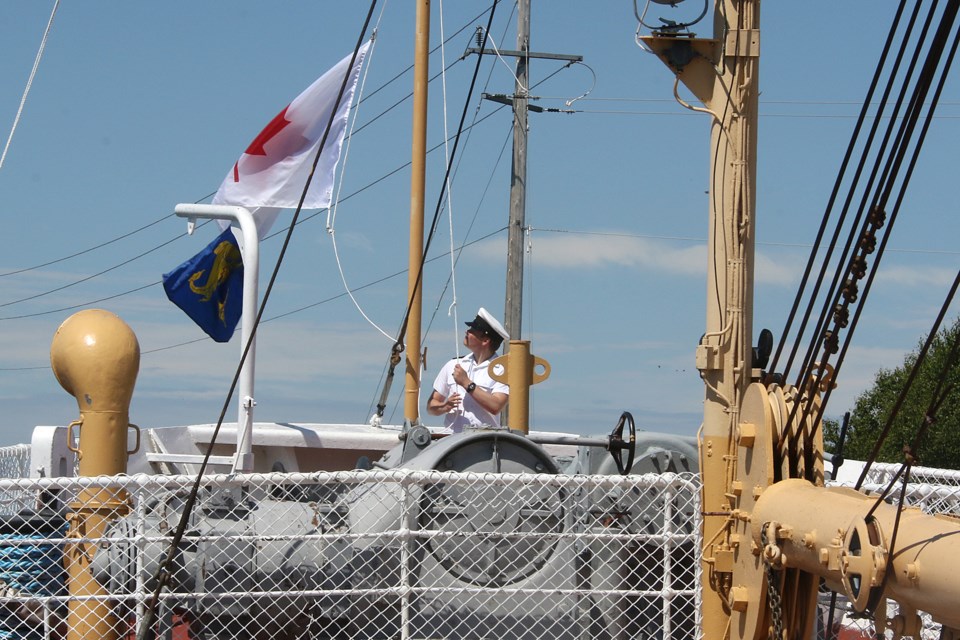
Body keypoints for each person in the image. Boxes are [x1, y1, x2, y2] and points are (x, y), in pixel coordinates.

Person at [427, 307, 510, 432]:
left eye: (473, 330)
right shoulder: (453, 364)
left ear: (485, 340)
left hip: (483, 443)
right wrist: (444, 406)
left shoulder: (502, 371)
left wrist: (466, 383)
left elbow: (496, 405)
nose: (467, 331)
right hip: (452, 442)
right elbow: (431, 406)